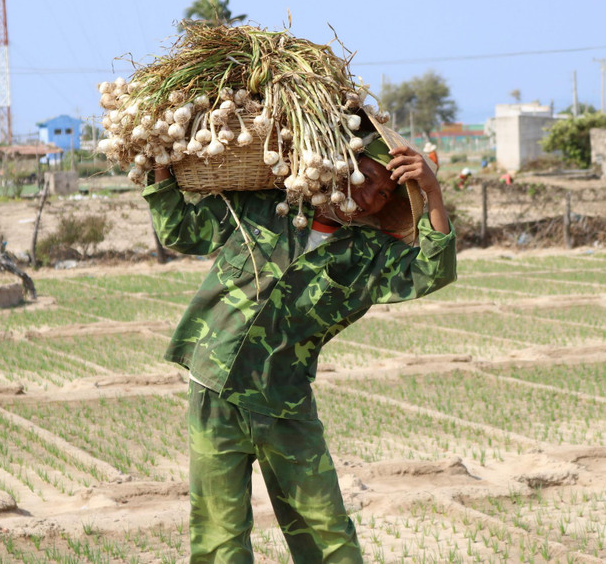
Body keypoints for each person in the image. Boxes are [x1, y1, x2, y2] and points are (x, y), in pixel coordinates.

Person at [143, 120, 456, 563]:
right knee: (219, 533)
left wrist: (433, 193)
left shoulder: (367, 257)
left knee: (325, 531)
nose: (370, 195)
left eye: (386, 194)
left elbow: (432, 271)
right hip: (214, 388)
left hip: (284, 401)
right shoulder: (267, 206)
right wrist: (158, 163)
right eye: (368, 178)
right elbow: (182, 231)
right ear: (343, 166)